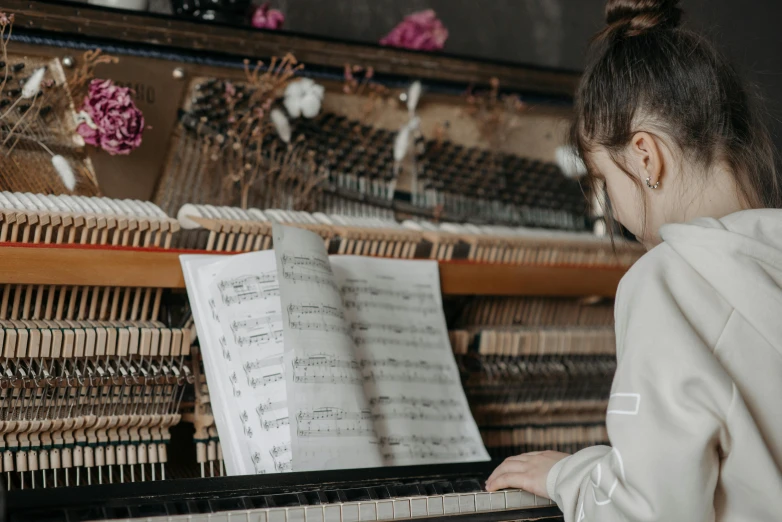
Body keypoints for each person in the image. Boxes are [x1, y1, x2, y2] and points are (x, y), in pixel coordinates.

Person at [485, 0, 782, 520]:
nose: (613, 209)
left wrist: (568, 475)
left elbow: (649, 512)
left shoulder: (666, 280)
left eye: (603, 180)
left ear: (646, 156)